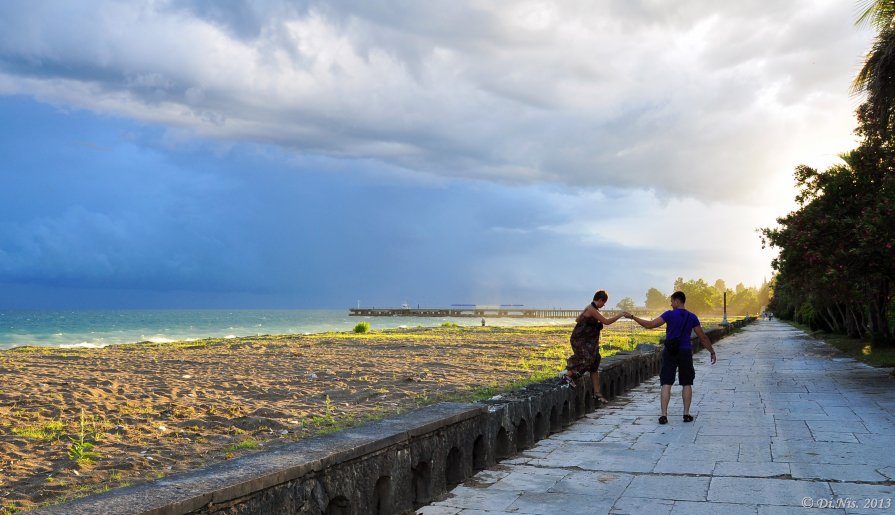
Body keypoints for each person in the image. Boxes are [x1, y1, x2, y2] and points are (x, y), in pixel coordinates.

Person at [625, 291, 716, 425]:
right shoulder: (692, 317)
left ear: (677, 301)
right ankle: (686, 414)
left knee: (666, 382)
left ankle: (664, 415)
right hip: (685, 351)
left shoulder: (669, 314)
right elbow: (702, 337)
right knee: (686, 382)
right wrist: (712, 351)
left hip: (670, 351)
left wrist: (633, 317)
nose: (671, 304)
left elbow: (649, 325)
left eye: (672, 301)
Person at [561, 290, 625, 403]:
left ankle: (597, 393)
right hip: (580, 339)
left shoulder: (591, 308)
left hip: (589, 340)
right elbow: (606, 321)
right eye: (604, 303)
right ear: (600, 300)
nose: (604, 305)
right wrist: (620, 314)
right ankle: (568, 375)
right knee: (587, 359)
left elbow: (577, 319)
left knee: (595, 360)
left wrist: (590, 322)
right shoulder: (591, 309)